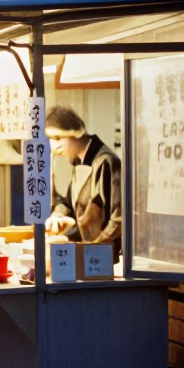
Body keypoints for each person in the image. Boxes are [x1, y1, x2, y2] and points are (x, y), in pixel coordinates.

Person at [44, 105, 122, 261]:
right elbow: (67, 203)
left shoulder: (106, 162)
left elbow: (119, 218)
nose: (55, 146)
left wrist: (95, 246)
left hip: (105, 259)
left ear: (77, 132)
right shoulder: (80, 163)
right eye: (52, 140)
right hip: (88, 254)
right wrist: (58, 215)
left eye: (59, 138)